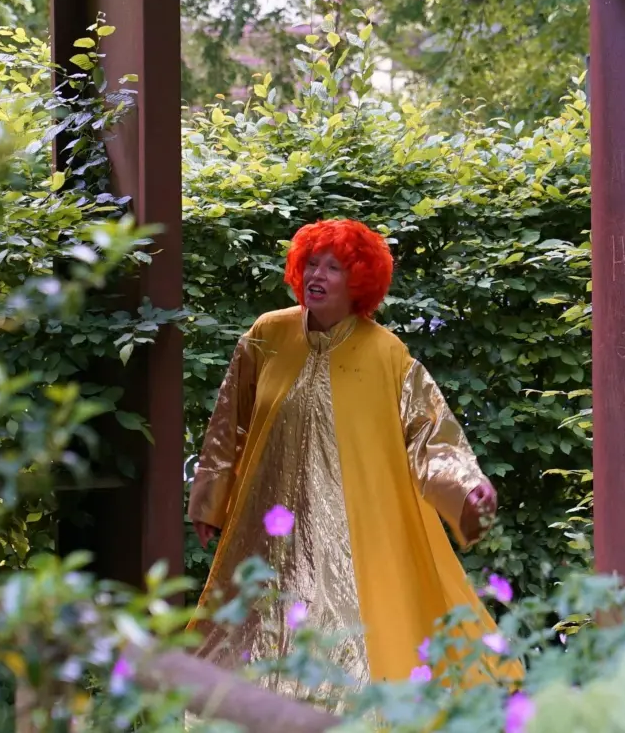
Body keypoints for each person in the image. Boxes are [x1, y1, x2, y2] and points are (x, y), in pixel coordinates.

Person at [186, 218, 502, 687]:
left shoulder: (387, 355)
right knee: (257, 625)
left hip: (354, 534)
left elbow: (427, 434)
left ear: (358, 282)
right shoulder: (266, 335)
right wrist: (210, 499)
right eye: (311, 264)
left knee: (347, 637)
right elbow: (229, 421)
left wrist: (466, 487)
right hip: (268, 521)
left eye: (334, 268)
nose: (317, 276)